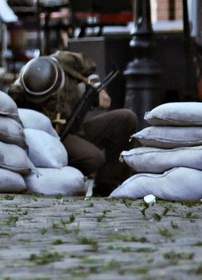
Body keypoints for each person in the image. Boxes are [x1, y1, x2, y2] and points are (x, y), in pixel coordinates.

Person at [8, 50, 137, 196]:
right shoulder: (20, 90)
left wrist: (98, 88)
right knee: (93, 158)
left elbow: (87, 65)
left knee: (126, 118)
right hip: (55, 140)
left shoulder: (64, 60)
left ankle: (107, 186)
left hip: (77, 128)